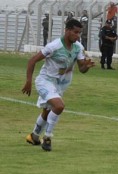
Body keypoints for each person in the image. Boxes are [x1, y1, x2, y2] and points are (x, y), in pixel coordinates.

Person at [21, 19, 95, 151]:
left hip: (60, 84)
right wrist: (28, 81)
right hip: (45, 81)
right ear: (67, 31)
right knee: (59, 106)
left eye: (79, 33)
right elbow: (32, 61)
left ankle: (34, 136)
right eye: (75, 32)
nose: (78, 36)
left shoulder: (78, 47)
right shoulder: (54, 46)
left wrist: (86, 66)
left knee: (48, 110)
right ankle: (47, 137)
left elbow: (82, 70)